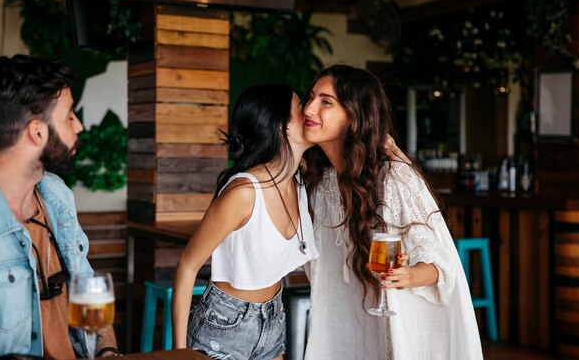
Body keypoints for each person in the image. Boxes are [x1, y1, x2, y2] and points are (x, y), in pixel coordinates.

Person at [302, 65, 483, 360]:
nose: (309, 107)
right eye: (311, 97)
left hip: (401, 329)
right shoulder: (320, 184)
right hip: (343, 332)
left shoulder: (393, 177)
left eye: (325, 101)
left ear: (353, 115)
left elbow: (442, 268)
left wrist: (408, 275)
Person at [0, 55, 119, 359]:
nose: (79, 125)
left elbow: (90, 300)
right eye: (69, 115)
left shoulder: (57, 194)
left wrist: (107, 352)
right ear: (37, 131)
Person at [172, 83, 319, 360]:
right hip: (224, 325)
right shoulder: (244, 193)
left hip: (273, 317)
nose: (310, 110)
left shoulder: (300, 181)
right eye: (301, 107)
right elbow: (187, 265)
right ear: (280, 127)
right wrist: (179, 353)